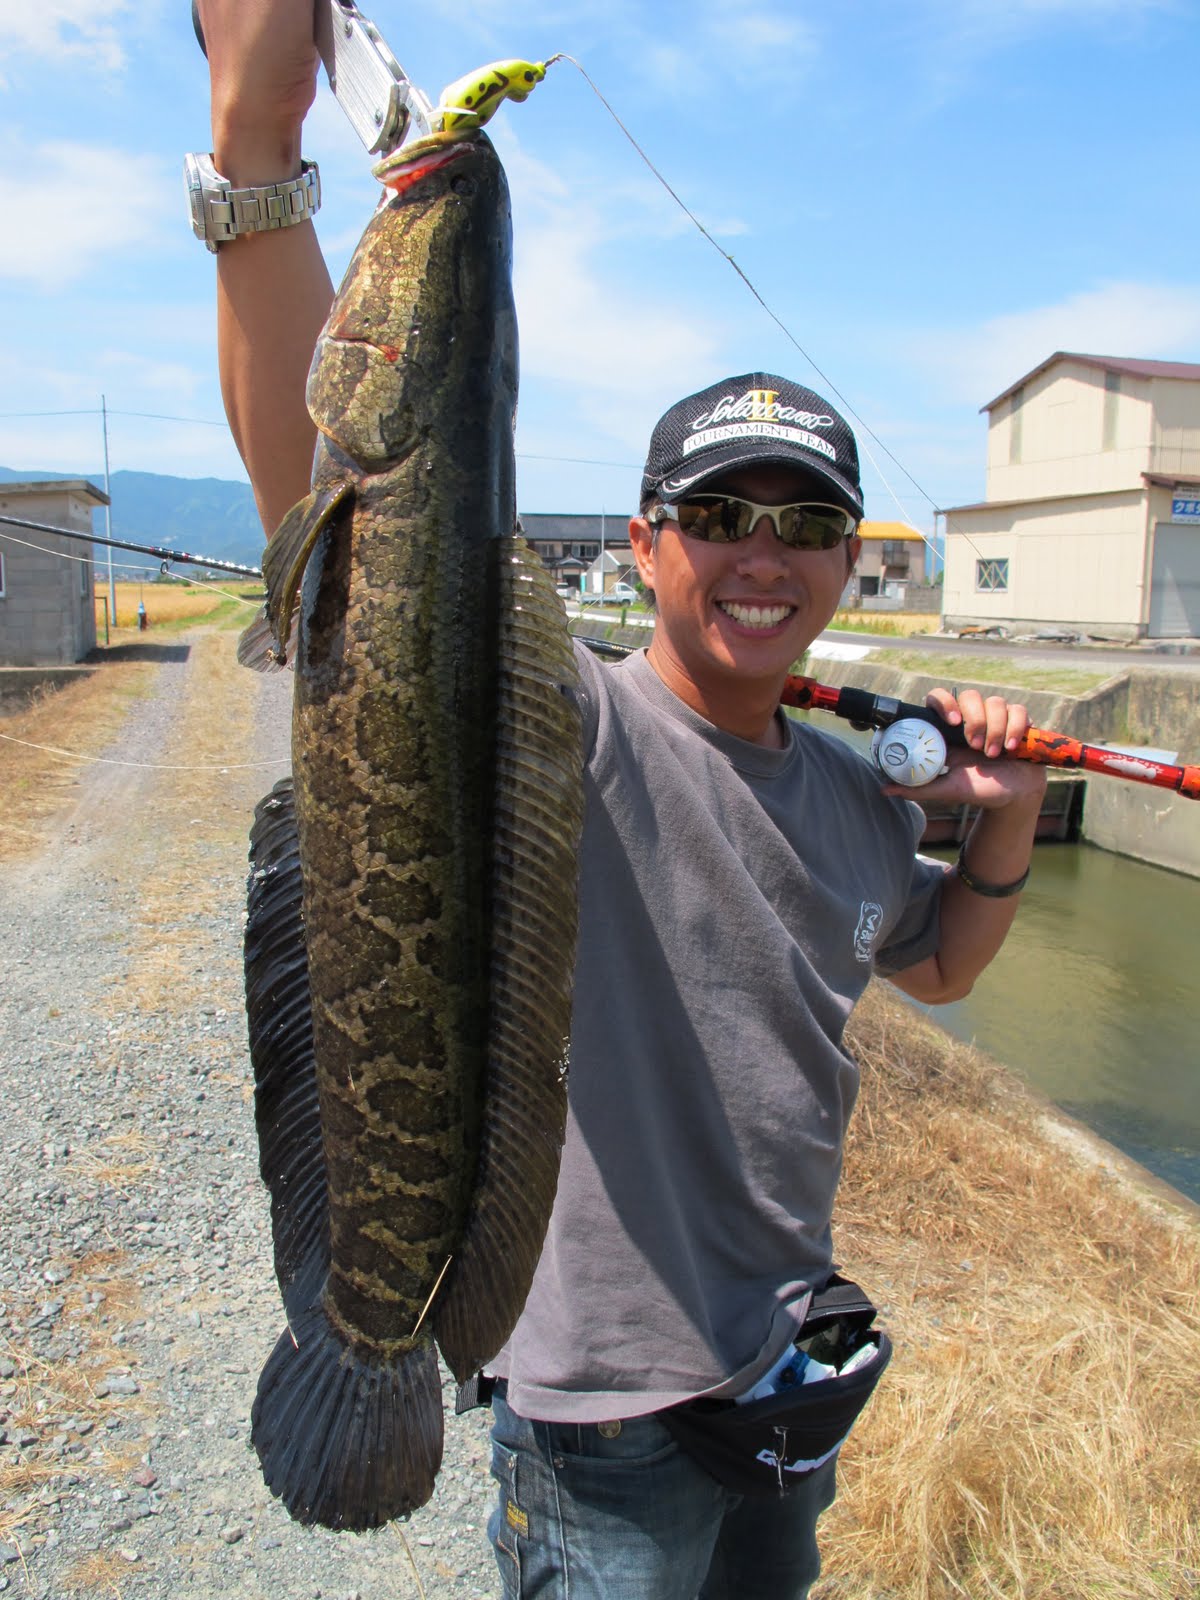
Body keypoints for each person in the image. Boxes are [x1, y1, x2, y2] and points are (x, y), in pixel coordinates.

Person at [195, 4, 1047, 1594]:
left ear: (845, 563)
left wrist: (998, 818)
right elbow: (331, 504)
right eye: (719, 511)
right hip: (599, 1418)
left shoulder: (862, 797)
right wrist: (253, 157)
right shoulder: (563, 728)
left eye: (805, 522)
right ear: (648, 543)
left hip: (782, 1379)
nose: (761, 550)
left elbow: (937, 962)